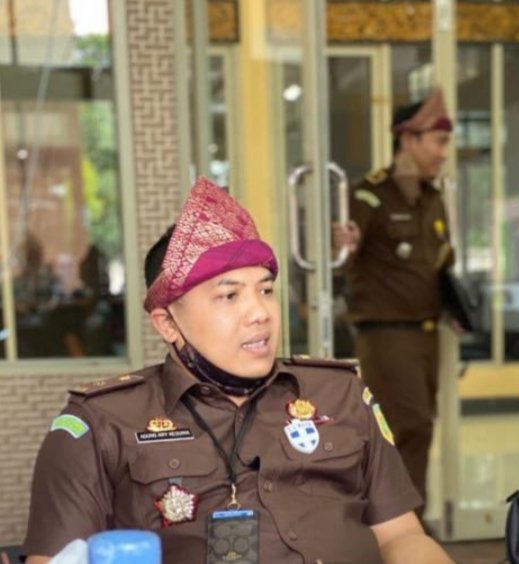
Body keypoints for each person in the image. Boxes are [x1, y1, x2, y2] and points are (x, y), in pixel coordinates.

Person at [22, 177, 453, 563]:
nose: (260, 313)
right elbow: (56, 560)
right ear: (167, 323)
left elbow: (401, 537)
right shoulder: (101, 424)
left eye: (265, 291)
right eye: (229, 296)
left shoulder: (340, 395)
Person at [333, 89, 455, 516]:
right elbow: (343, 257)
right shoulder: (370, 194)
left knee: (419, 429)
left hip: (427, 333)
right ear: (408, 138)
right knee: (402, 428)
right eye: (438, 141)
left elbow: (441, 262)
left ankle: (409, 522)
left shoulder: (432, 198)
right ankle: (392, 526)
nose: (443, 153)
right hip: (387, 334)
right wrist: (342, 244)